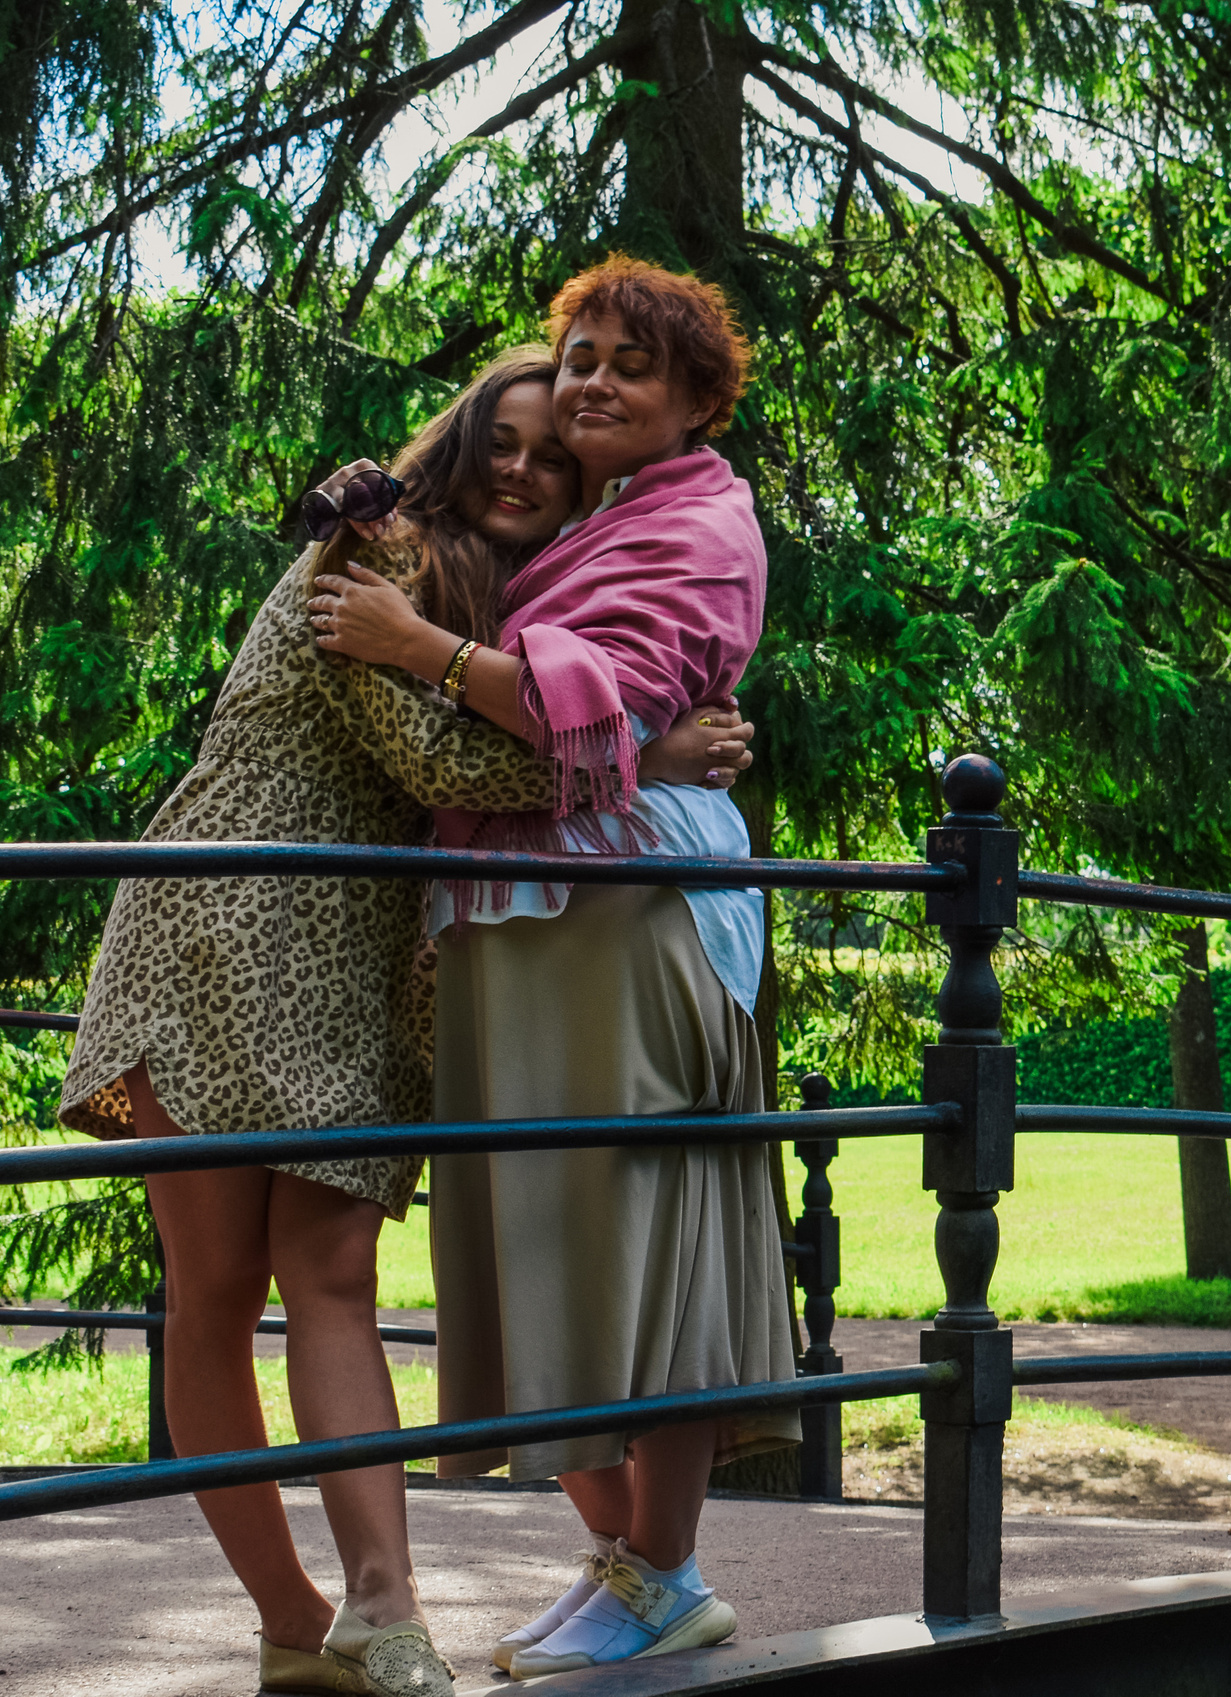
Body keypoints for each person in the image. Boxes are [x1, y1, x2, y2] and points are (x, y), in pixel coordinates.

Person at [56, 348, 753, 1697]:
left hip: (346, 953)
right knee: (218, 1293)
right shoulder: (373, 546)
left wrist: (604, 716)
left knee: (319, 1280)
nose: (522, 466)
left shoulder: (498, 602)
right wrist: (646, 753)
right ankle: (310, 1613)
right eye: (502, 435)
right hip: (230, 922)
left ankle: (374, 1612)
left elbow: (509, 717)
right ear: (458, 436)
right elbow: (434, 760)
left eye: (554, 456)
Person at [313, 256, 793, 1677]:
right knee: (544, 1240)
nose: (589, 382)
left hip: (624, 904)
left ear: (699, 397)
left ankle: (663, 1569)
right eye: (574, 354)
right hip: (539, 900)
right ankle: (634, 1567)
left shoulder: (699, 519)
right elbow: (608, 713)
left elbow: (584, 704)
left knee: (638, 1228)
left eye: (625, 364)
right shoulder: (600, 514)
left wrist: (419, 648)